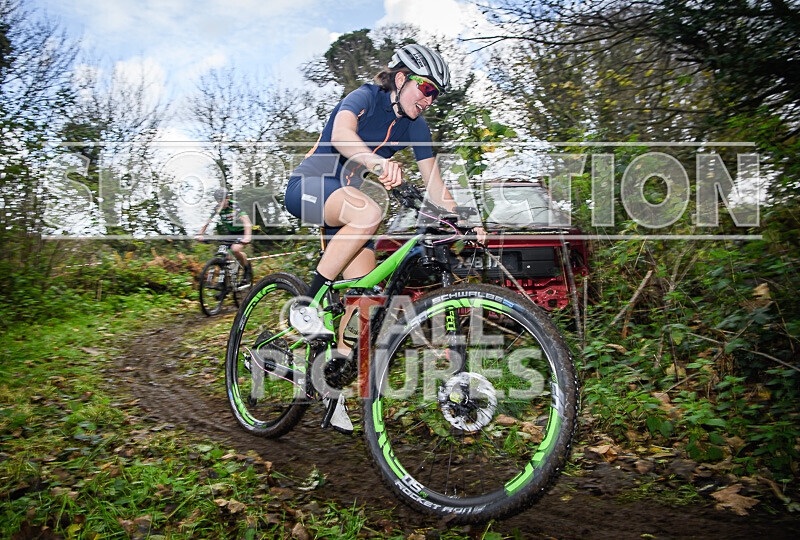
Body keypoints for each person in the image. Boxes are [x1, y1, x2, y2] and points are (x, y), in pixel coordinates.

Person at [284, 43, 485, 351]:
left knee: (363, 305)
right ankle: (306, 307)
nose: (429, 100)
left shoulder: (416, 127)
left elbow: (435, 186)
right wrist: (377, 163)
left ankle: (336, 369)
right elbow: (341, 135)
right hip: (308, 185)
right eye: (426, 88)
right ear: (401, 79)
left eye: (435, 95)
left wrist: (468, 221)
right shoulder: (365, 96)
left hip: (346, 207)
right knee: (369, 212)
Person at [196, 188, 253, 283]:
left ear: (228, 198)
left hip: (241, 231)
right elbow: (208, 221)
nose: (221, 203)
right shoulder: (217, 208)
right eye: (218, 201)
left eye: (223, 201)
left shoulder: (234, 205)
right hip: (231, 232)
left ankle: (247, 270)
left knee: (235, 249)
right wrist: (200, 233)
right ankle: (226, 283)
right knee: (226, 256)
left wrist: (247, 237)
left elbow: (246, 220)